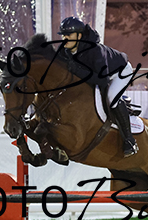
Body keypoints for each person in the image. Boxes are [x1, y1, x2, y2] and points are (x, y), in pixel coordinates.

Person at [58, 16, 138, 157]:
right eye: (63, 35)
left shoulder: (95, 50)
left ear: (79, 36)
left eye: (68, 35)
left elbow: (102, 80)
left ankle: (129, 141)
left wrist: (77, 70)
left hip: (120, 72)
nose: (65, 38)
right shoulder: (65, 50)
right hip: (100, 74)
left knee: (111, 97)